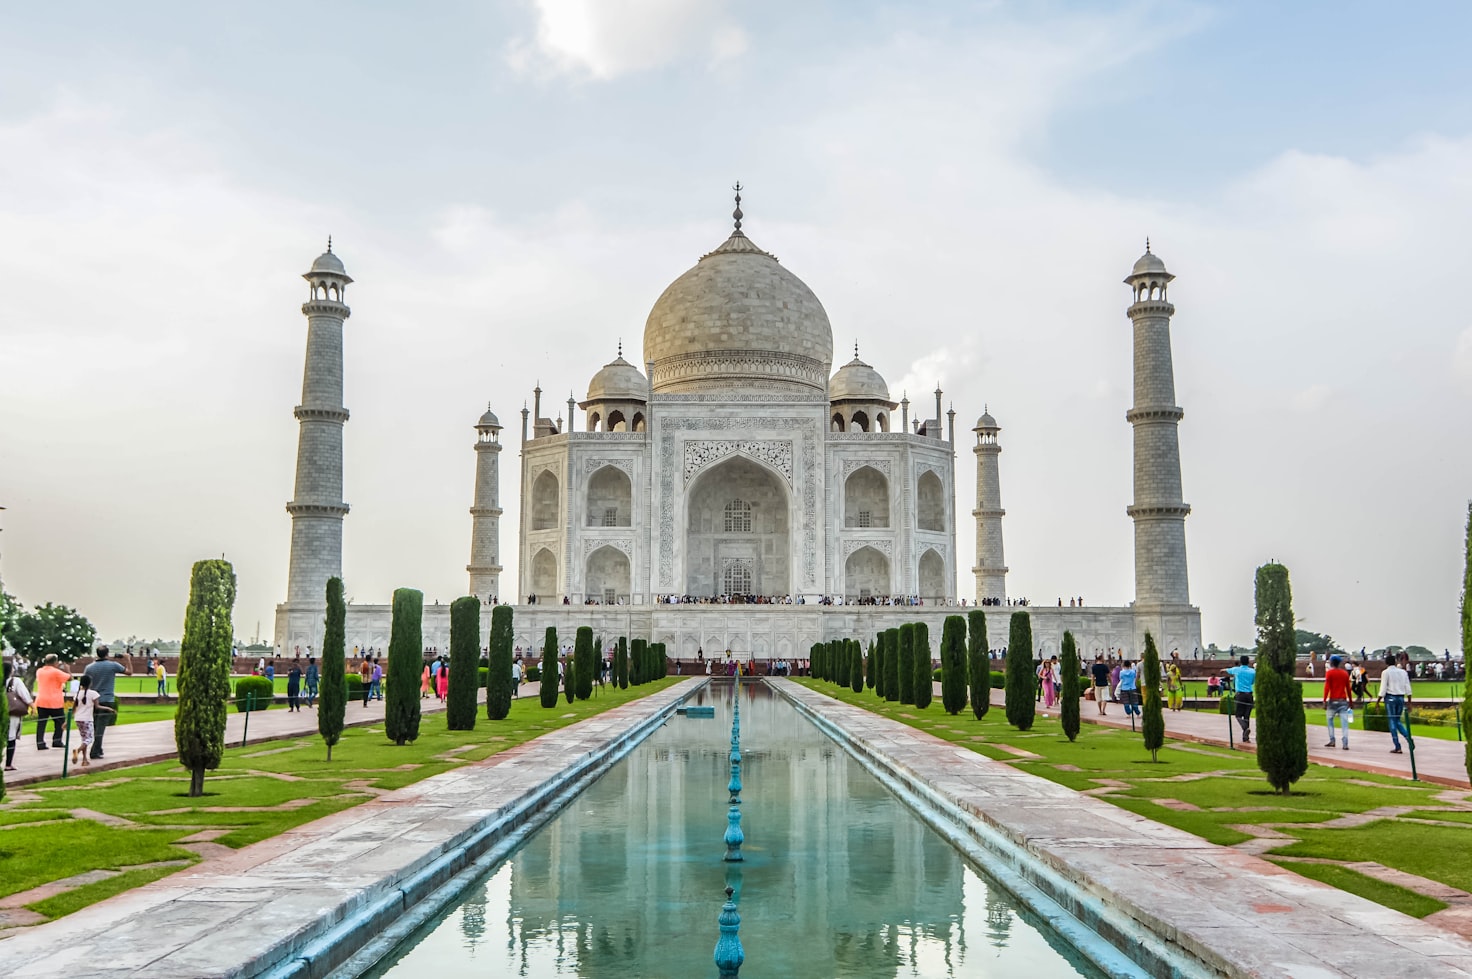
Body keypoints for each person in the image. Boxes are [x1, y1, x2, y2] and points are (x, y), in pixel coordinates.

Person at [82, 646, 131, 760]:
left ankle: (98, 749)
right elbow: (129, 672)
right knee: (100, 727)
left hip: (93, 699)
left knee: (95, 726)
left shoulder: (89, 667)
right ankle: (95, 751)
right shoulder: (112, 665)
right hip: (106, 699)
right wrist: (127, 659)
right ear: (107, 653)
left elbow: (85, 684)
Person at [70, 674, 114, 768]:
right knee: (89, 739)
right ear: (90, 683)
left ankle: (84, 760)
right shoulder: (93, 693)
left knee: (84, 739)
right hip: (87, 719)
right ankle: (77, 751)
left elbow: (73, 708)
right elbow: (97, 706)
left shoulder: (77, 694)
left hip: (78, 719)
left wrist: (67, 721)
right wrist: (108, 708)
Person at [1375, 653, 1412, 754]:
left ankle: (1397, 745)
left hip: (1390, 698)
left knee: (1392, 721)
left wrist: (1377, 702)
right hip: (1400, 697)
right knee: (1397, 721)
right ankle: (1409, 739)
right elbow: (1408, 687)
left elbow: (1383, 689)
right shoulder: (1403, 672)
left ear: (1386, 663)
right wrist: (1409, 702)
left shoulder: (1386, 672)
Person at [32, 654, 70, 750]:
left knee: (41, 722)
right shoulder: (56, 672)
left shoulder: (39, 671)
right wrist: (67, 668)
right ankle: (57, 740)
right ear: (55, 662)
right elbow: (70, 678)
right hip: (54, 701)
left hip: (41, 700)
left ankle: (40, 743)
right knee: (60, 721)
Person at [6, 661, 35, 771]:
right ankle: (8, 764)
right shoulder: (15, 681)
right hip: (12, 713)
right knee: (11, 737)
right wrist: (32, 706)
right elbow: (24, 695)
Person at [1322, 654, 1353, 750]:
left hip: (1333, 700)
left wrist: (1324, 700)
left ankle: (1332, 740)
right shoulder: (1344, 674)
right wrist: (1351, 701)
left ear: (1331, 663)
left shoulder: (1329, 673)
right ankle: (1345, 742)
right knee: (1344, 722)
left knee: (1330, 720)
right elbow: (1348, 688)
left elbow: (1327, 687)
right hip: (1343, 700)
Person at [1226, 654, 1256, 743]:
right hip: (1249, 695)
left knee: (1238, 715)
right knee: (1247, 716)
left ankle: (1245, 728)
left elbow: (1228, 670)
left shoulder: (1237, 669)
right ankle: (1245, 738)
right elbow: (1252, 682)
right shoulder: (1252, 671)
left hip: (1240, 695)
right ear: (1248, 662)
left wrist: (1222, 670)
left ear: (1240, 662)